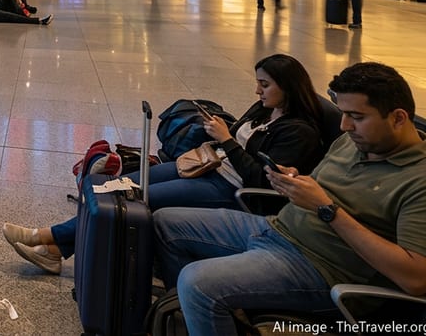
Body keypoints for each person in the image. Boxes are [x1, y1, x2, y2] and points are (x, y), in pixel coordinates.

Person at [153, 61, 426, 334]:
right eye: (343, 113)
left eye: (356, 116)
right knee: (165, 222)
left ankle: (206, 308)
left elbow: (415, 279)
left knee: (197, 283)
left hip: (320, 267)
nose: (344, 126)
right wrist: (294, 180)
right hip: (276, 228)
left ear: (398, 118)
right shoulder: (352, 142)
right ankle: (191, 318)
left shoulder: (418, 180)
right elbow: (322, 189)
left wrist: (326, 209)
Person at [3, 53, 327, 275]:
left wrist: (227, 139)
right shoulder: (265, 109)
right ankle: (56, 249)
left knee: (136, 198)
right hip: (206, 165)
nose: (258, 90)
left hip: (229, 188)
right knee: (126, 183)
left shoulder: (299, 132)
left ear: (289, 86)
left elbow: (261, 179)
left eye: (265, 84)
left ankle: (48, 238)